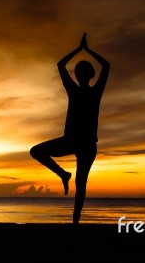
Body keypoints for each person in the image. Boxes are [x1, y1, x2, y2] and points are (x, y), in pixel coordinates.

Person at [30, 33, 110, 224]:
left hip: (88, 144)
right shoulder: (72, 89)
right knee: (36, 151)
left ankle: (75, 220)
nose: (80, 73)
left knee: (81, 182)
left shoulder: (96, 91)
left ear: (90, 74)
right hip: (70, 140)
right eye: (79, 71)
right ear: (77, 75)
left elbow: (106, 66)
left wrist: (87, 50)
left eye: (84, 70)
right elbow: (60, 65)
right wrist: (79, 50)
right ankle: (62, 173)